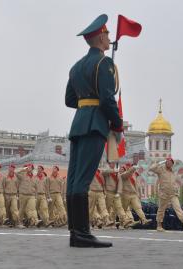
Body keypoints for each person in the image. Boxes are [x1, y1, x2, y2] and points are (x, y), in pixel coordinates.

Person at [65, 14, 122, 247]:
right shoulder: (104, 63)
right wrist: (117, 123)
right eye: (107, 34)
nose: (109, 38)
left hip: (79, 124)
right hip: (95, 125)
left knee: (73, 180)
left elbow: (70, 100)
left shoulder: (76, 67)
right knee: (83, 181)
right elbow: (108, 99)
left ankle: (75, 233)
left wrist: (86, 101)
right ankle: (82, 234)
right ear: (100, 37)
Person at [149, 158, 183, 231]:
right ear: (165, 162)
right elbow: (151, 168)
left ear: (172, 164)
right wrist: (157, 163)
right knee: (161, 210)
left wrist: (175, 188)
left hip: (173, 194)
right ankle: (159, 226)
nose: (168, 163)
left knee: (178, 208)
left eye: (170, 162)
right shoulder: (161, 169)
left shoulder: (173, 172)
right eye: (167, 162)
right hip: (164, 193)